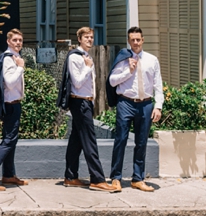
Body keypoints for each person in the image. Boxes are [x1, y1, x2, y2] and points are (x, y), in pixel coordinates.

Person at [108, 26, 164, 193]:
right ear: (129, 41)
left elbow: (158, 85)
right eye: (132, 40)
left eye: (138, 39)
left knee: (142, 142)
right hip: (126, 103)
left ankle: (137, 178)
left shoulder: (152, 60)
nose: (135, 42)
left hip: (145, 104)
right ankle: (116, 178)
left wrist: (158, 106)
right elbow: (112, 81)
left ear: (143, 40)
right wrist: (128, 71)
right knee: (121, 140)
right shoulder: (122, 59)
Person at [58, 28, 114, 192]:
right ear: (79, 39)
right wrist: (88, 67)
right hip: (79, 102)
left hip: (86, 102)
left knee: (76, 140)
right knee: (90, 141)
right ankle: (97, 179)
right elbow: (77, 82)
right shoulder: (75, 57)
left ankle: (70, 176)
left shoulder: (87, 57)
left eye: (91, 37)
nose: (90, 40)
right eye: (86, 37)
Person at [0, 29, 29, 191]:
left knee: (11, 140)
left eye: (20, 40)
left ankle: (8, 175)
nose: (18, 43)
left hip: (14, 103)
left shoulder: (12, 58)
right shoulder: (10, 59)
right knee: (8, 140)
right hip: (10, 104)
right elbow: (9, 81)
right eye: (15, 40)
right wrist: (21, 68)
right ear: (8, 41)